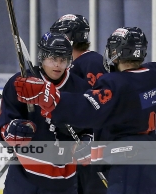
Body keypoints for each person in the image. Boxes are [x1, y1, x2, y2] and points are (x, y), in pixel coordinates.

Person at [14, 27, 156, 194]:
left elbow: (87, 108)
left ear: (115, 52)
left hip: (129, 167)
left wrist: (49, 98)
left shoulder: (116, 83)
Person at [0, 32, 92, 194]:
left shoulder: (81, 89)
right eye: (53, 59)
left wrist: (86, 142)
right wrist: (15, 132)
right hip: (23, 178)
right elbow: (3, 129)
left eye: (63, 60)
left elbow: (92, 127)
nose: (58, 65)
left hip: (64, 182)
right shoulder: (19, 83)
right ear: (42, 57)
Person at [50, 13, 108, 194]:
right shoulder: (82, 63)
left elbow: (100, 106)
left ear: (68, 38)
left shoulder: (89, 63)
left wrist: (90, 137)